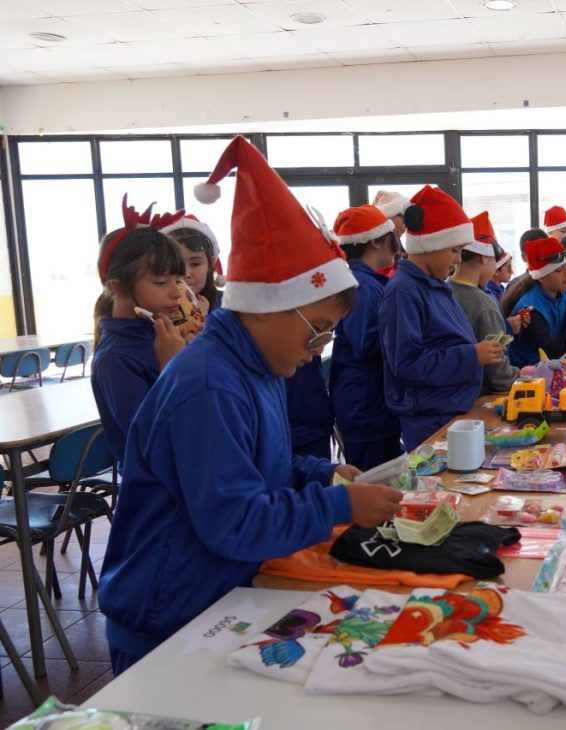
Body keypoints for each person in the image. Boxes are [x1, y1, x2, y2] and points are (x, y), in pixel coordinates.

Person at [99, 136, 405, 675]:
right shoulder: (211, 384)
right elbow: (235, 520)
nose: (318, 352)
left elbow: (256, 466)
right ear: (268, 310)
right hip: (166, 614)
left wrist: (324, 472)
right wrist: (340, 507)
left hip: (214, 594)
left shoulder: (259, 366)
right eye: (318, 333)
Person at [378, 186, 505, 451]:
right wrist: (472, 356)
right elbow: (407, 364)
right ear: (430, 244)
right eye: (454, 251)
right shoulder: (403, 292)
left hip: (454, 408)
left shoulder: (437, 286)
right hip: (429, 418)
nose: (458, 260)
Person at [91, 198, 193, 468]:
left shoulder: (160, 332)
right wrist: (173, 366)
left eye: (178, 280)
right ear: (120, 288)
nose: (176, 292)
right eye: (161, 282)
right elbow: (152, 441)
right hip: (156, 497)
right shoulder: (115, 358)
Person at [329, 204, 404, 470]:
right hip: (365, 407)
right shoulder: (360, 286)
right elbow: (368, 345)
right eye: (394, 237)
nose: (398, 246)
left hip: (370, 404)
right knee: (374, 484)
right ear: (375, 240)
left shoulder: (367, 282)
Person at [502, 236, 566, 368]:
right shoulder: (531, 308)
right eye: (559, 270)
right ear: (542, 277)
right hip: (526, 372)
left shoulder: (562, 294)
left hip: (546, 365)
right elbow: (550, 350)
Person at [451, 212, 521, 394]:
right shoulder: (483, 303)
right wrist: (525, 377)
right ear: (484, 257)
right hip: (480, 396)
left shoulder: (443, 290)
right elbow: (498, 375)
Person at [162, 214, 224, 312]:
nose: (185, 274)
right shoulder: (149, 309)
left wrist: (201, 321)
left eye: (195, 264)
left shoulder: (234, 309)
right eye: (176, 264)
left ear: (211, 264)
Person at [372, 190, 410, 277]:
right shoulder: (378, 251)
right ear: (388, 217)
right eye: (402, 217)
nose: (406, 223)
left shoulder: (402, 253)